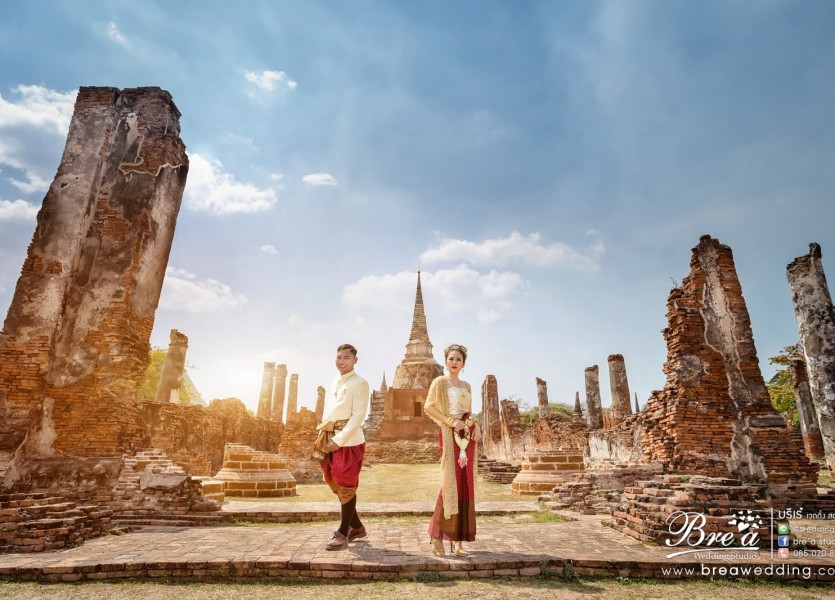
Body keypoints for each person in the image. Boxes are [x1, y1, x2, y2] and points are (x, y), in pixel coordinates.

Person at [423, 343, 482, 556]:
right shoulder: (440, 382)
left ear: (463, 363)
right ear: (446, 361)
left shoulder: (466, 386)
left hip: (468, 434)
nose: (454, 362)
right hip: (450, 434)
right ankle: (437, 536)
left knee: (466, 485)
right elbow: (428, 407)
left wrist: (478, 426)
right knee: (451, 483)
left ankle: (458, 540)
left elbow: (470, 412)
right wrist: (449, 421)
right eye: (451, 358)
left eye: (458, 359)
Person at [317, 343, 370, 551]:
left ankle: (342, 532)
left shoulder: (360, 383)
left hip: (349, 441)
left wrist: (340, 440)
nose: (341, 361)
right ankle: (356, 526)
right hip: (330, 435)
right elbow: (333, 410)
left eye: (346, 357)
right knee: (331, 479)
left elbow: (358, 416)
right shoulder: (335, 381)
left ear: (355, 360)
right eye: (339, 357)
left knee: (346, 484)